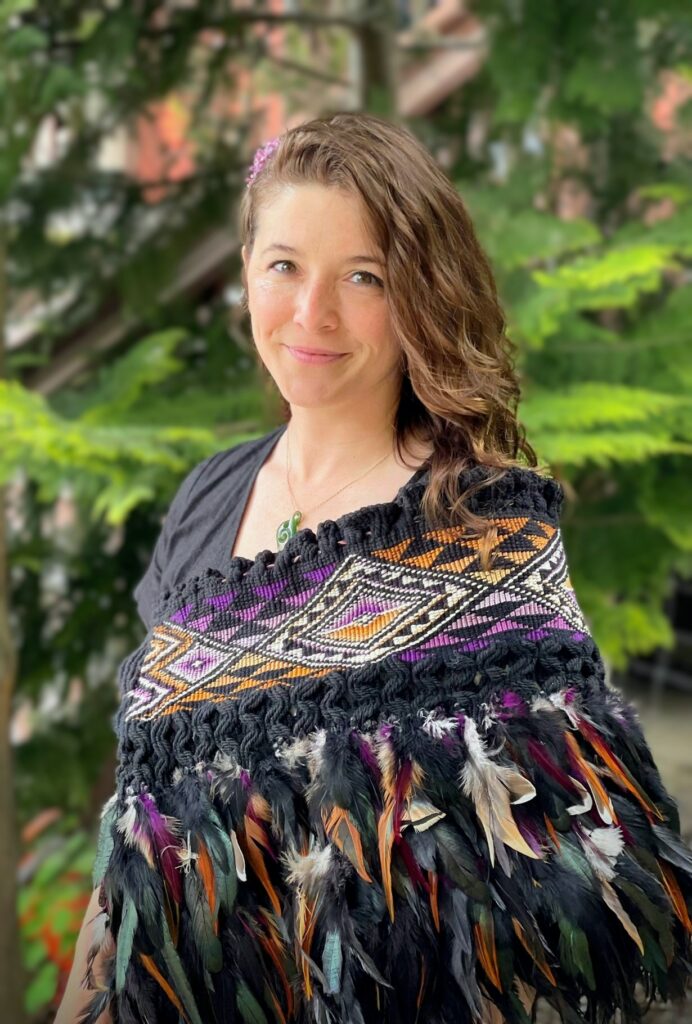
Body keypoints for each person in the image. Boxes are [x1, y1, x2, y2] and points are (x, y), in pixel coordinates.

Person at [56, 112, 692, 1024]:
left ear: (419, 295)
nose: (312, 314)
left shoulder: (480, 520)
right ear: (246, 272)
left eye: (364, 277)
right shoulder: (206, 497)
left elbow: (568, 887)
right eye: (284, 266)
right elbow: (140, 807)